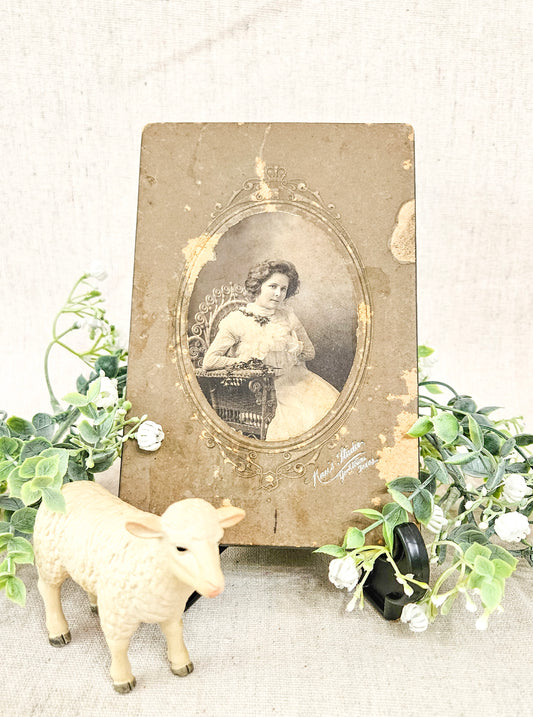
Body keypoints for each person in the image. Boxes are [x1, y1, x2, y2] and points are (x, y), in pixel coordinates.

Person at [202, 259, 339, 441]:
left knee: (328, 406)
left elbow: (309, 353)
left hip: (295, 381)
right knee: (299, 418)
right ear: (258, 286)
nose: (278, 294)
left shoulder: (288, 316)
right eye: (272, 286)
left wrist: (293, 346)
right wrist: (245, 363)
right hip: (257, 391)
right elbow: (209, 361)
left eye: (283, 289)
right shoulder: (237, 320)